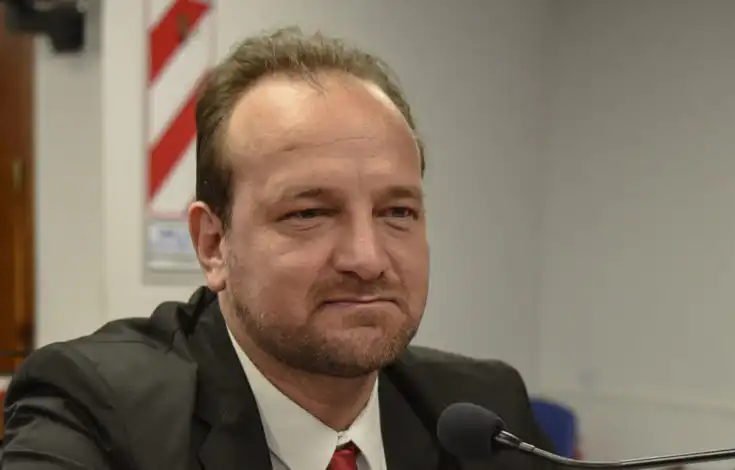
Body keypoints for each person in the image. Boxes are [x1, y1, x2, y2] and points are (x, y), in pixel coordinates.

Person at [1, 27, 555, 469]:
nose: (367, 258)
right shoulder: (96, 408)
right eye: (309, 214)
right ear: (213, 244)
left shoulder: (484, 411)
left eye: (397, 213)